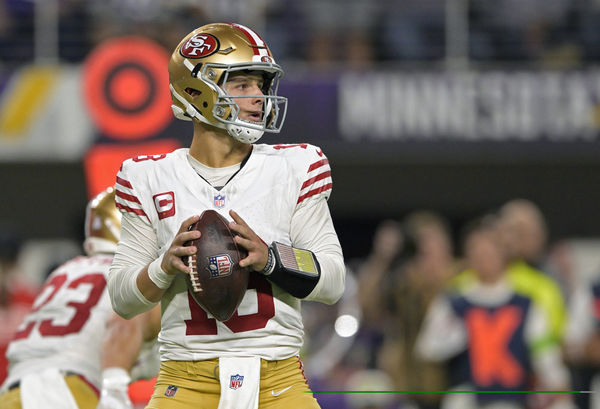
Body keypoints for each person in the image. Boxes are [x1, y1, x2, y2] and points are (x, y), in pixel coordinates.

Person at [108, 22, 346, 409]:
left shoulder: (296, 166)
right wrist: (163, 267)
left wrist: (271, 258)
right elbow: (122, 297)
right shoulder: (147, 176)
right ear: (195, 89)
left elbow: (333, 280)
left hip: (278, 379)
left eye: (261, 85)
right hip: (184, 381)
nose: (258, 98)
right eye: (242, 85)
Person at [0, 187, 160, 409]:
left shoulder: (66, 271)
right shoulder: (133, 276)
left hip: (14, 392)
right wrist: (115, 395)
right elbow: (123, 323)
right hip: (66, 391)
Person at [416, 217, 573, 409]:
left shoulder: (524, 303)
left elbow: (544, 351)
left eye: (489, 250)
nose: (484, 258)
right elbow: (428, 348)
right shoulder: (454, 301)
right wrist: (457, 336)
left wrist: (555, 380)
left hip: (514, 396)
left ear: (503, 253)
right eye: (477, 251)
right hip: (468, 395)